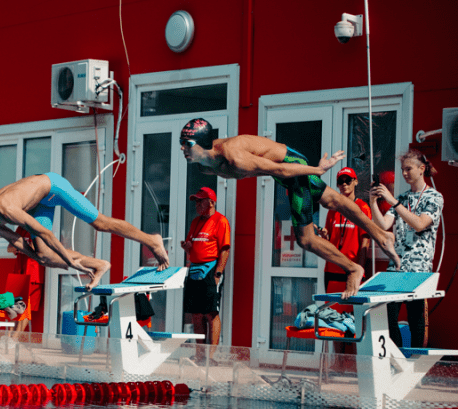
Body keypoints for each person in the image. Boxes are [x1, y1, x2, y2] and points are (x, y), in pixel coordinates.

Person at [179, 117, 400, 299]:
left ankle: (353, 268)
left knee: (306, 239)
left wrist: (317, 169)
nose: (183, 149)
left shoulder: (234, 157)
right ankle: (381, 235)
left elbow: (281, 170)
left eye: (187, 144)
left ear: (204, 144)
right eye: (182, 143)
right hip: (285, 174)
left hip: (290, 168)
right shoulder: (203, 166)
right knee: (332, 200)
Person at [0, 173, 170, 289]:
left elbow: (45, 234)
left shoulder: (6, 209)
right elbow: (17, 241)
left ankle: (151, 240)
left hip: (54, 188)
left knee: (100, 223)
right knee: (46, 257)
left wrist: (68, 261)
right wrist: (38, 258)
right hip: (38, 202)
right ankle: (100, 265)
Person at [369, 150, 443, 349]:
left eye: (408, 169)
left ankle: (415, 365)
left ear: (421, 169)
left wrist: (393, 201)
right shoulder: (403, 197)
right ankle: (399, 359)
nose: (404, 173)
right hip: (397, 266)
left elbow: (420, 224)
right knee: (388, 315)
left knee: (415, 318)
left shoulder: (434, 197)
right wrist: (373, 202)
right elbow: (383, 225)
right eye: (402, 170)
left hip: (419, 269)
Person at [180, 187, 230, 355]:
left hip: (211, 270)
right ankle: (200, 354)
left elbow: (225, 249)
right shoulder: (195, 221)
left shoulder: (220, 221)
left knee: (211, 313)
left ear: (211, 202)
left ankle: (211, 356)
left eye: (200, 201)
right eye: (196, 201)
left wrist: (218, 273)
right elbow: (191, 246)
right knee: (196, 314)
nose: (197, 204)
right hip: (194, 270)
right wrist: (187, 248)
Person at [318, 167, 371, 295]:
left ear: (356, 182)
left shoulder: (363, 207)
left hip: (351, 269)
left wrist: (361, 269)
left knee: (350, 312)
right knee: (331, 312)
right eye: (340, 182)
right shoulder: (333, 208)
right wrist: (324, 236)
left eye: (348, 180)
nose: (344, 184)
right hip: (332, 268)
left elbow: (365, 241)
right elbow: (329, 240)